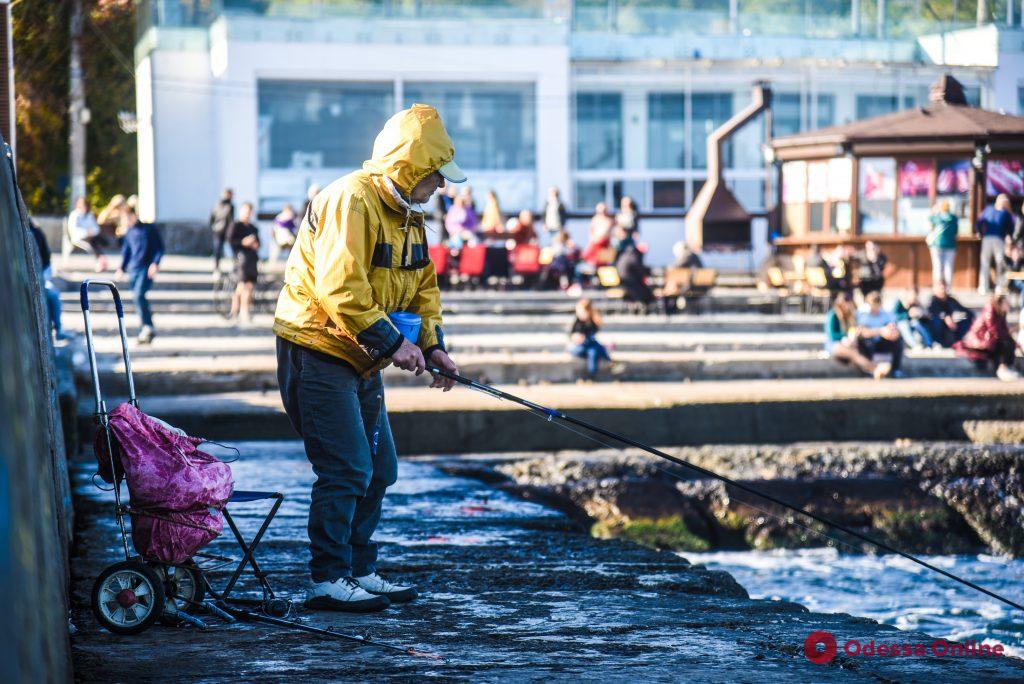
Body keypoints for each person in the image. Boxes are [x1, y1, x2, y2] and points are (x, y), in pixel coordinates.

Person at [274, 104, 461, 613]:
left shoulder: (409, 214)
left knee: (380, 469)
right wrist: (392, 344)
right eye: (436, 176)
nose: (442, 186)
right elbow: (340, 286)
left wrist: (432, 345)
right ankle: (328, 579)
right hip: (318, 348)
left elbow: (423, 286)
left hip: (361, 355)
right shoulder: (349, 200)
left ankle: (359, 568)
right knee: (347, 467)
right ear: (411, 169)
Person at [115, 207, 164, 344]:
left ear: (134, 215)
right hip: (133, 269)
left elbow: (159, 248)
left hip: (145, 268)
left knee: (139, 295)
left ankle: (147, 326)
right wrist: (121, 268)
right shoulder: (129, 232)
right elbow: (126, 252)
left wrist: (155, 263)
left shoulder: (149, 229)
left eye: (128, 217)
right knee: (137, 299)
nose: (127, 221)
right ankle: (146, 327)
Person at [955, 294, 1020, 381]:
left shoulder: (1001, 312)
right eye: (1006, 303)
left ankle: (1007, 367)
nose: (1008, 305)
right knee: (1005, 343)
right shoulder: (990, 309)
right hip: (980, 339)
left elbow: (1003, 330)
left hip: (991, 339)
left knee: (1009, 342)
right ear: (1001, 303)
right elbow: (993, 329)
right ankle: (1003, 368)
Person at [824, 292, 879, 377]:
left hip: (849, 343)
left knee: (861, 346)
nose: (847, 306)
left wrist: (853, 336)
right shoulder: (833, 315)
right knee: (853, 353)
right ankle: (873, 368)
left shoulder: (851, 315)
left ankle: (869, 369)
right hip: (834, 344)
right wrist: (844, 337)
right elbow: (832, 335)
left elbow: (855, 329)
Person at [854, 291, 904, 379]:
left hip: (882, 342)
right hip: (869, 344)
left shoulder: (886, 315)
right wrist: (880, 331)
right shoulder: (864, 315)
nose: (874, 308)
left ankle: (895, 369)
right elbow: (861, 332)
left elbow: (893, 329)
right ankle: (867, 370)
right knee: (862, 340)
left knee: (898, 340)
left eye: (876, 305)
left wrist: (891, 332)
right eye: (872, 305)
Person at [227, 202, 261, 325]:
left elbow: (258, 243)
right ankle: (237, 311)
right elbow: (231, 241)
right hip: (241, 260)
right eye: (245, 211)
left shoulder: (253, 228)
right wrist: (243, 242)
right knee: (242, 287)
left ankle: (242, 312)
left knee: (249, 287)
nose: (247, 214)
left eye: (249, 212)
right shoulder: (235, 225)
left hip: (252, 260)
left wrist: (254, 244)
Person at [30, 221, 64, 340]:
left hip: (40, 277)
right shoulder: (33, 231)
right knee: (53, 295)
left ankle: (58, 329)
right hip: (35, 278)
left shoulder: (35, 232)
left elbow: (46, 261)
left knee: (53, 295)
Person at [976, 194, 1014, 294]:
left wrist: (1009, 236)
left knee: (1000, 262)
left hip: (999, 239)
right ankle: (983, 287)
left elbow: (1011, 227)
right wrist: (980, 233)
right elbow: (980, 221)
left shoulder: (1006, 213)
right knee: (985, 262)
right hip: (987, 238)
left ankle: (999, 286)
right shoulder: (988, 209)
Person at [569, 298, 612, 378]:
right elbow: (571, 335)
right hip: (578, 348)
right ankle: (609, 360)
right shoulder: (578, 321)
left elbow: (592, 333)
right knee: (595, 346)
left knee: (593, 350)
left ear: (588, 312)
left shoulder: (592, 322)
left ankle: (592, 374)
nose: (579, 314)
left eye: (581, 312)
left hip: (588, 347)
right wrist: (576, 337)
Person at [613, 224, 654, 310]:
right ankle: (646, 307)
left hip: (623, 281)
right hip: (630, 283)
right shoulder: (634, 254)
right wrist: (648, 272)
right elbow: (639, 270)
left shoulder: (626, 253)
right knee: (646, 289)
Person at [926, 281, 973, 348]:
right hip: (937, 327)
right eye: (941, 288)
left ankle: (958, 341)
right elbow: (933, 311)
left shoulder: (950, 300)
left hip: (950, 326)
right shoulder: (933, 300)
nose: (943, 290)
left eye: (944, 288)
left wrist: (972, 315)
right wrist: (945, 317)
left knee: (967, 319)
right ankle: (937, 342)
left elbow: (963, 309)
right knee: (936, 320)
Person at [66, 197, 107, 271]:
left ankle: (101, 261)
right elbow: (74, 230)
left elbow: (96, 228)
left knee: (97, 241)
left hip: (91, 237)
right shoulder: (75, 215)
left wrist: (91, 232)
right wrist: (86, 233)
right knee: (92, 245)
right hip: (79, 238)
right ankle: (100, 261)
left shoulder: (89, 215)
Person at [927, 199, 958, 288]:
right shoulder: (954, 218)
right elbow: (956, 231)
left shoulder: (937, 217)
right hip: (951, 245)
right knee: (948, 268)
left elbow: (930, 219)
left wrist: (934, 211)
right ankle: (947, 289)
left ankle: (937, 288)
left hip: (937, 245)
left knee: (937, 267)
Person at [210, 188, 235, 273]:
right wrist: (214, 228)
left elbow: (231, 220)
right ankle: (216, 268)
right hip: (218, 231)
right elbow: (212, 218)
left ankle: (235, 267)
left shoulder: (231, 206)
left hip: (227, 231)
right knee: (218, 250)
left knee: (233, 249)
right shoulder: (218, 205)